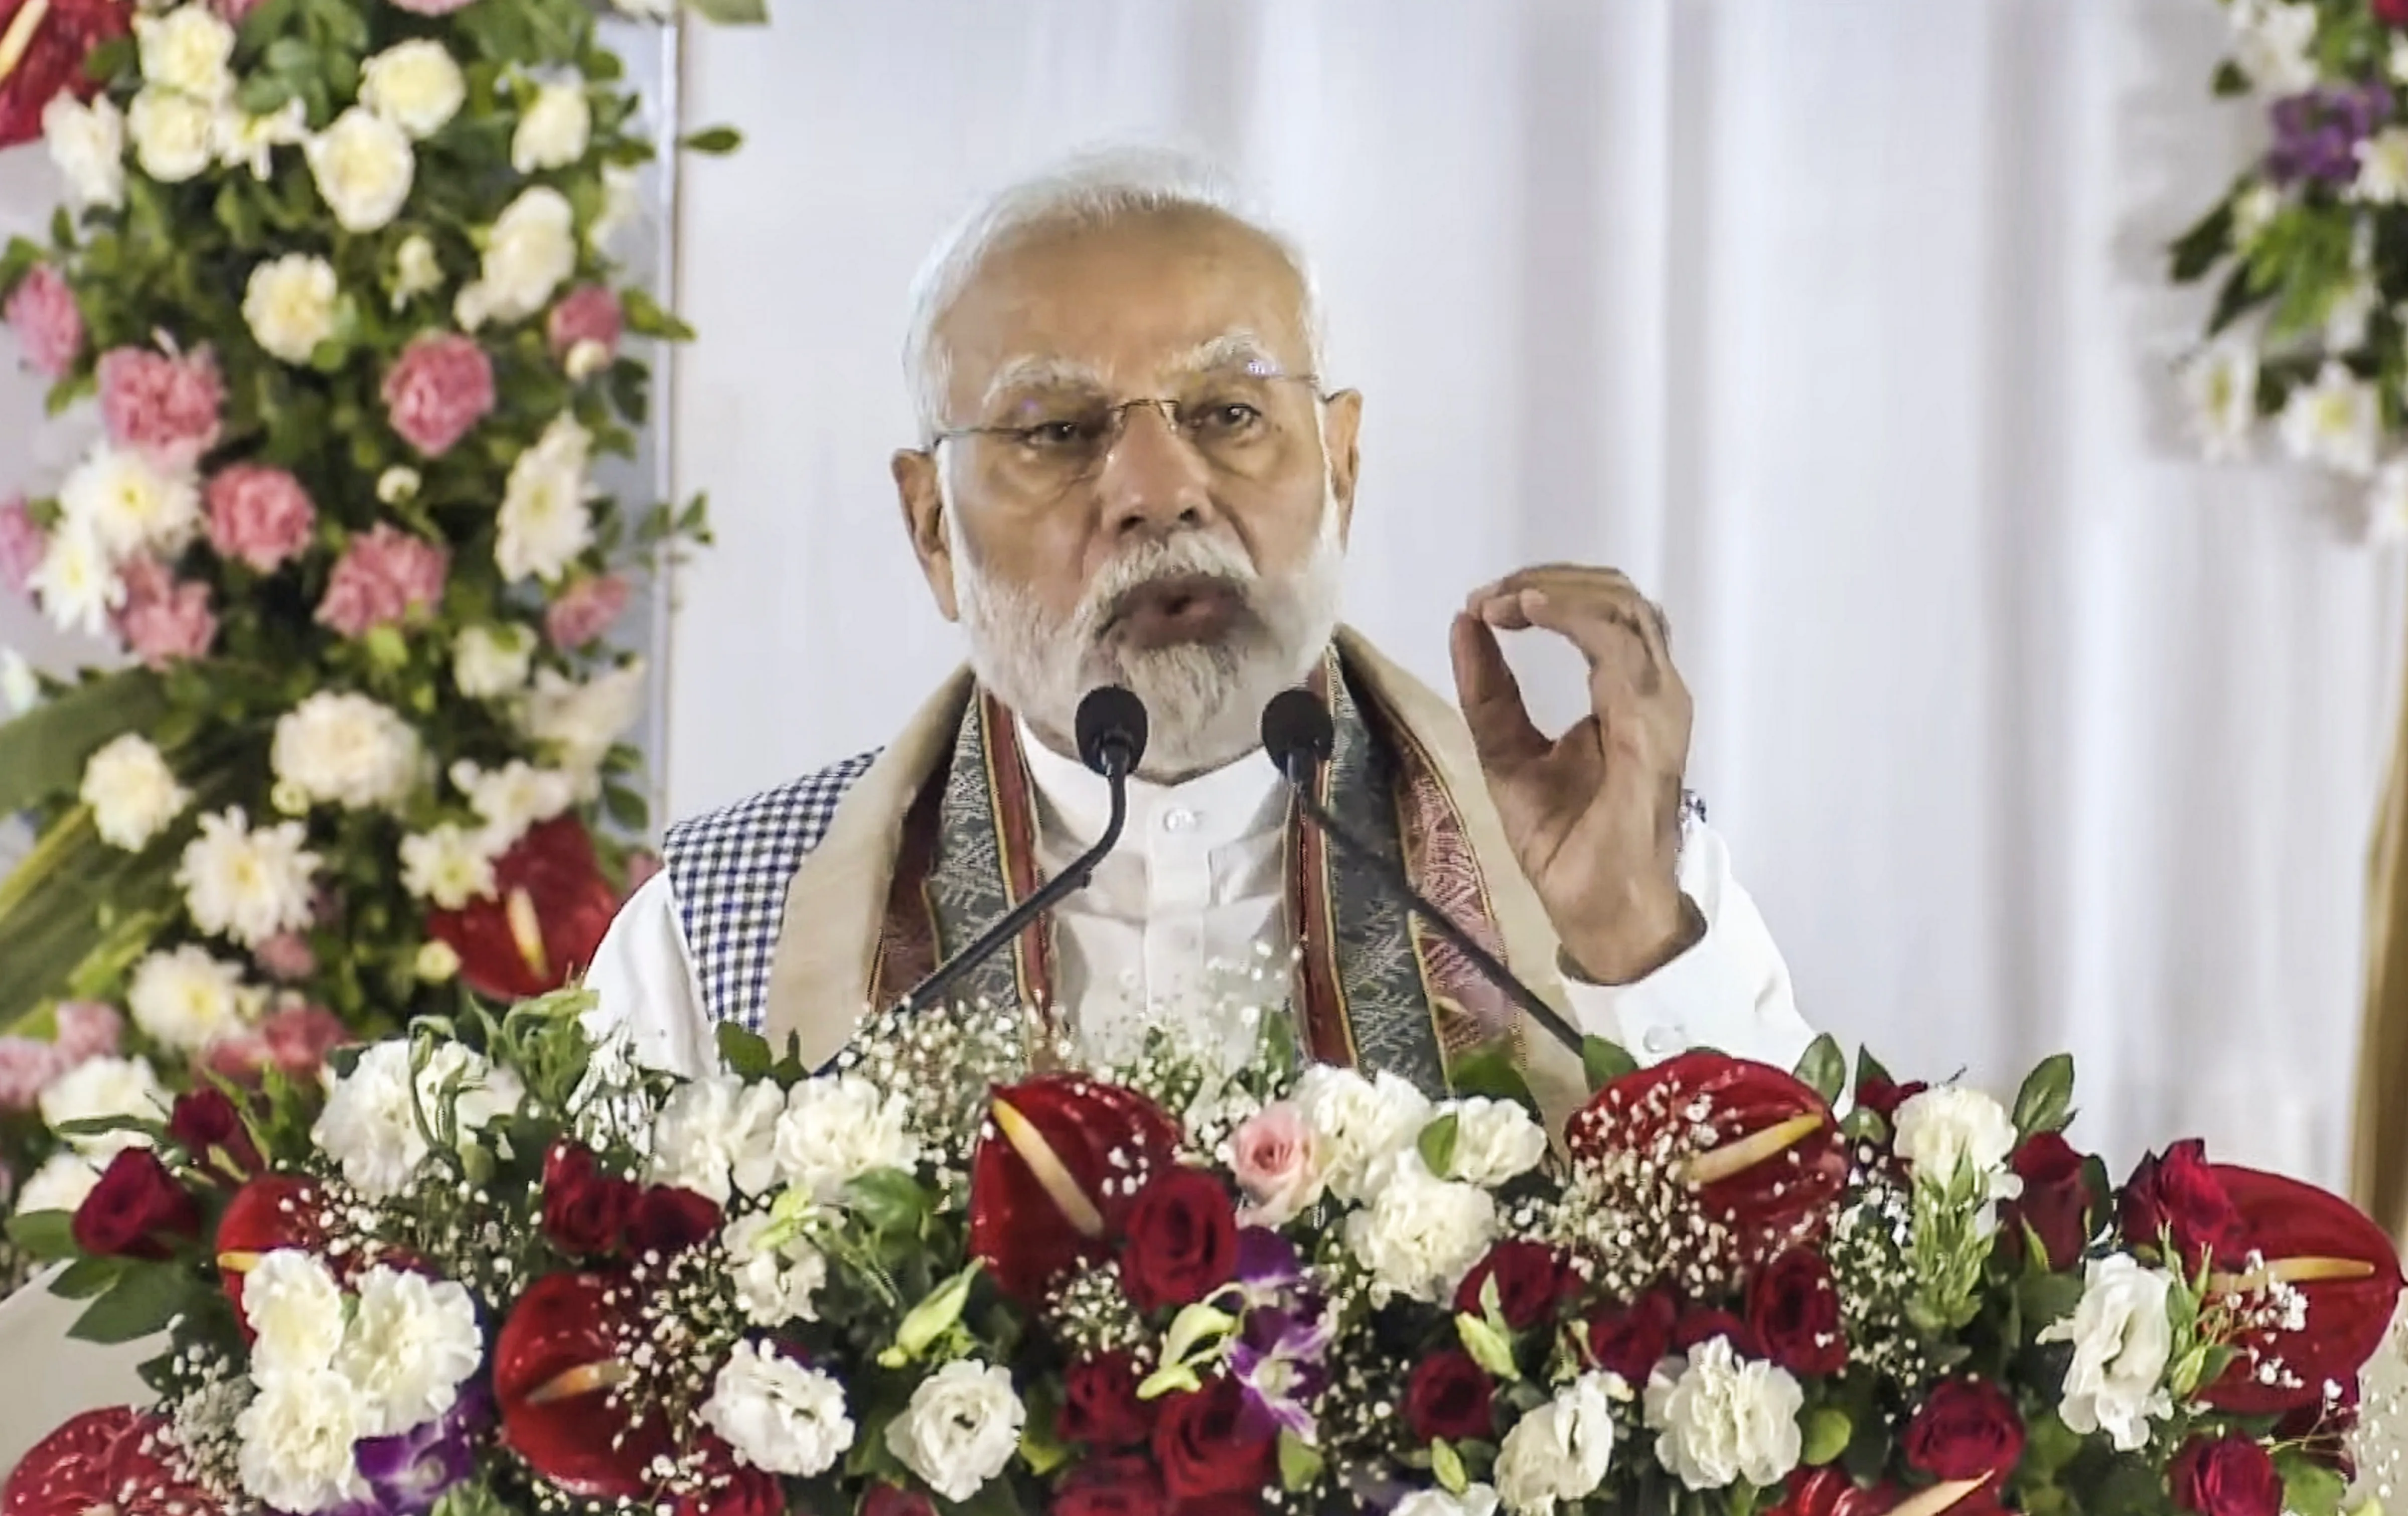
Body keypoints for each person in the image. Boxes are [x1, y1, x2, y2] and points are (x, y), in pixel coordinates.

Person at [587, 147, 1814, 1126]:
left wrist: (1628, 941)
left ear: (1341, 464)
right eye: (1059, 430)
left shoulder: (1609, 871)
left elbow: (1811, 1350)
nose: (1157, 489)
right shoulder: (720, 930)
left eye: (1230, 412)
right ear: (930, 532)